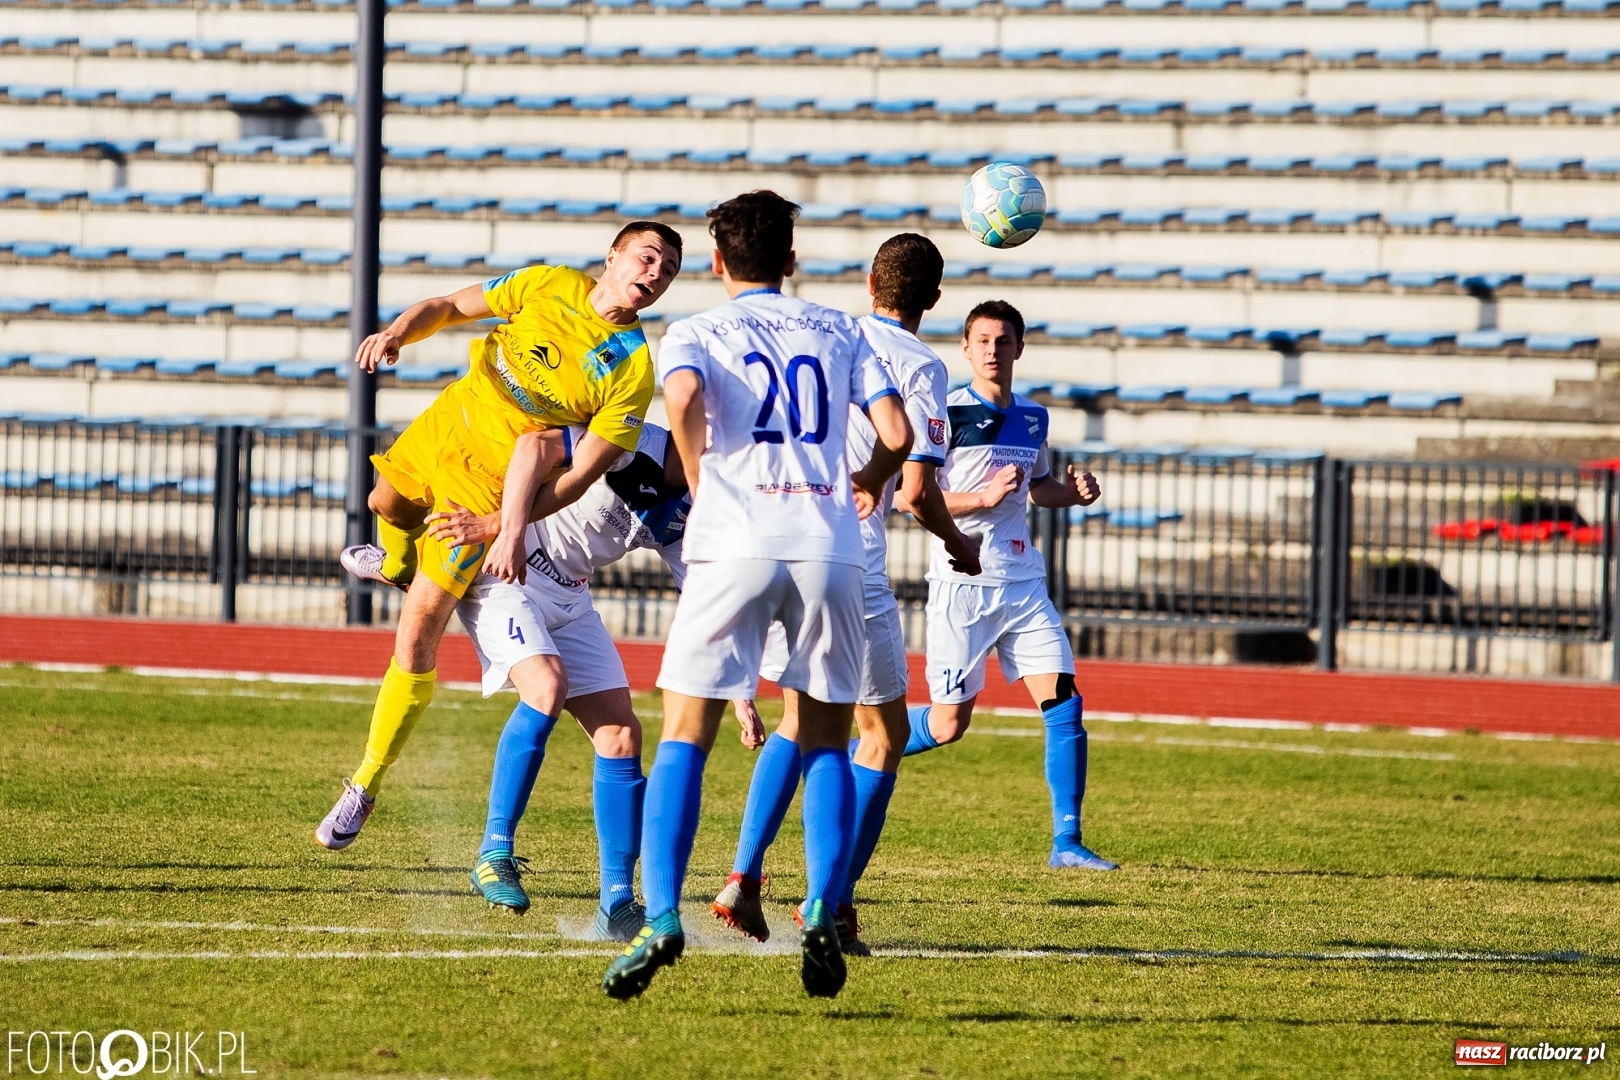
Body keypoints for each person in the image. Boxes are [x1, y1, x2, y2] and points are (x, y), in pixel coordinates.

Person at [600, 191, 912, 1001]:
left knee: (686, 731)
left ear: (715, 260)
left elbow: (683, 402)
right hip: (827, 544)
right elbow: (899, 435)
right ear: (792, 258)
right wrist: (870, 481)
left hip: (734, 539)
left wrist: (704, 485)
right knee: (823, 735)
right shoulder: (842, 328)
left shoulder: (697, 330)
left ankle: (665, 917)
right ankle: (817, 902)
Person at [315, 223, 683, 851]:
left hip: (485, 490)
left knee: (419, 630)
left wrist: (496, 525)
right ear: (613, 256)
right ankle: (397, 564)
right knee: (385, 502)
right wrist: (398, 332)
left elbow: (578, 476)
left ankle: (364, 784)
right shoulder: (551, 283)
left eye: (669, 269)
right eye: (648, 257)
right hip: (445, 424)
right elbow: (452, 305)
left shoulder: (632, 369)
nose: (655, 273)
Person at [712, 233, 982, 955]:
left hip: (781, 543)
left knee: (799, 719)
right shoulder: (922, 366)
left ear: (869, 282)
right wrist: (959, 544)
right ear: (933, 299)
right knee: (881, 735)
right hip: (849, 558)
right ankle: (829, 905)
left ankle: (743, 875)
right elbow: (918, 489)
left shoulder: (831, 333)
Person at [422, 422, 762, 943]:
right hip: (507, 570)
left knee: (622, 735)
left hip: (570, 596)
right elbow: (534, 445)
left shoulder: (699, 504)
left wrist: (739, 692)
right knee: (547, 686)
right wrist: (505, 530)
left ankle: (617, 902)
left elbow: (704, 597)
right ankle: (494, 852)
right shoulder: (629, 442)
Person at [902, 300, 1117, 871]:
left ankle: (1066, 842)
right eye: (983, 340)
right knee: (948, 726)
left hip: (1023, 584)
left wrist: (1073, 494)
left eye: (1004, 340)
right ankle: (850, 755)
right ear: (966, 349)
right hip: (961, 581)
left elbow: (1038, 486)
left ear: (1019, 348)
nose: (993, 350)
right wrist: (981, 498)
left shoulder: (1034, 416)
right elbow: (911, 496)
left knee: (1065, 704)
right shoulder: (943, 415)